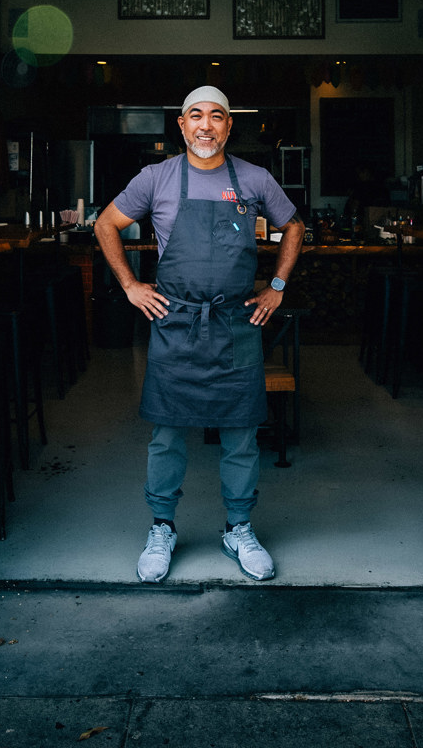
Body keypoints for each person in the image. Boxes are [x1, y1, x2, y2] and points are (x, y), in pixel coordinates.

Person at [94, 86, 304, 582]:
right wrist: (130, 285)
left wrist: (276, 287)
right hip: (177, 324)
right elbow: (105, 224)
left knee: (241, 435)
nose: (205, 125)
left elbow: (294, 227)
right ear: (182, 125)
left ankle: (239, 528)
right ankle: (162, 527)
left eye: (216, 116)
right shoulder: (156, 178)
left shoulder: (254, 178)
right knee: (167, 434)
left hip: (235, 323)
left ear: (229, 126)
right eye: (195, 115)